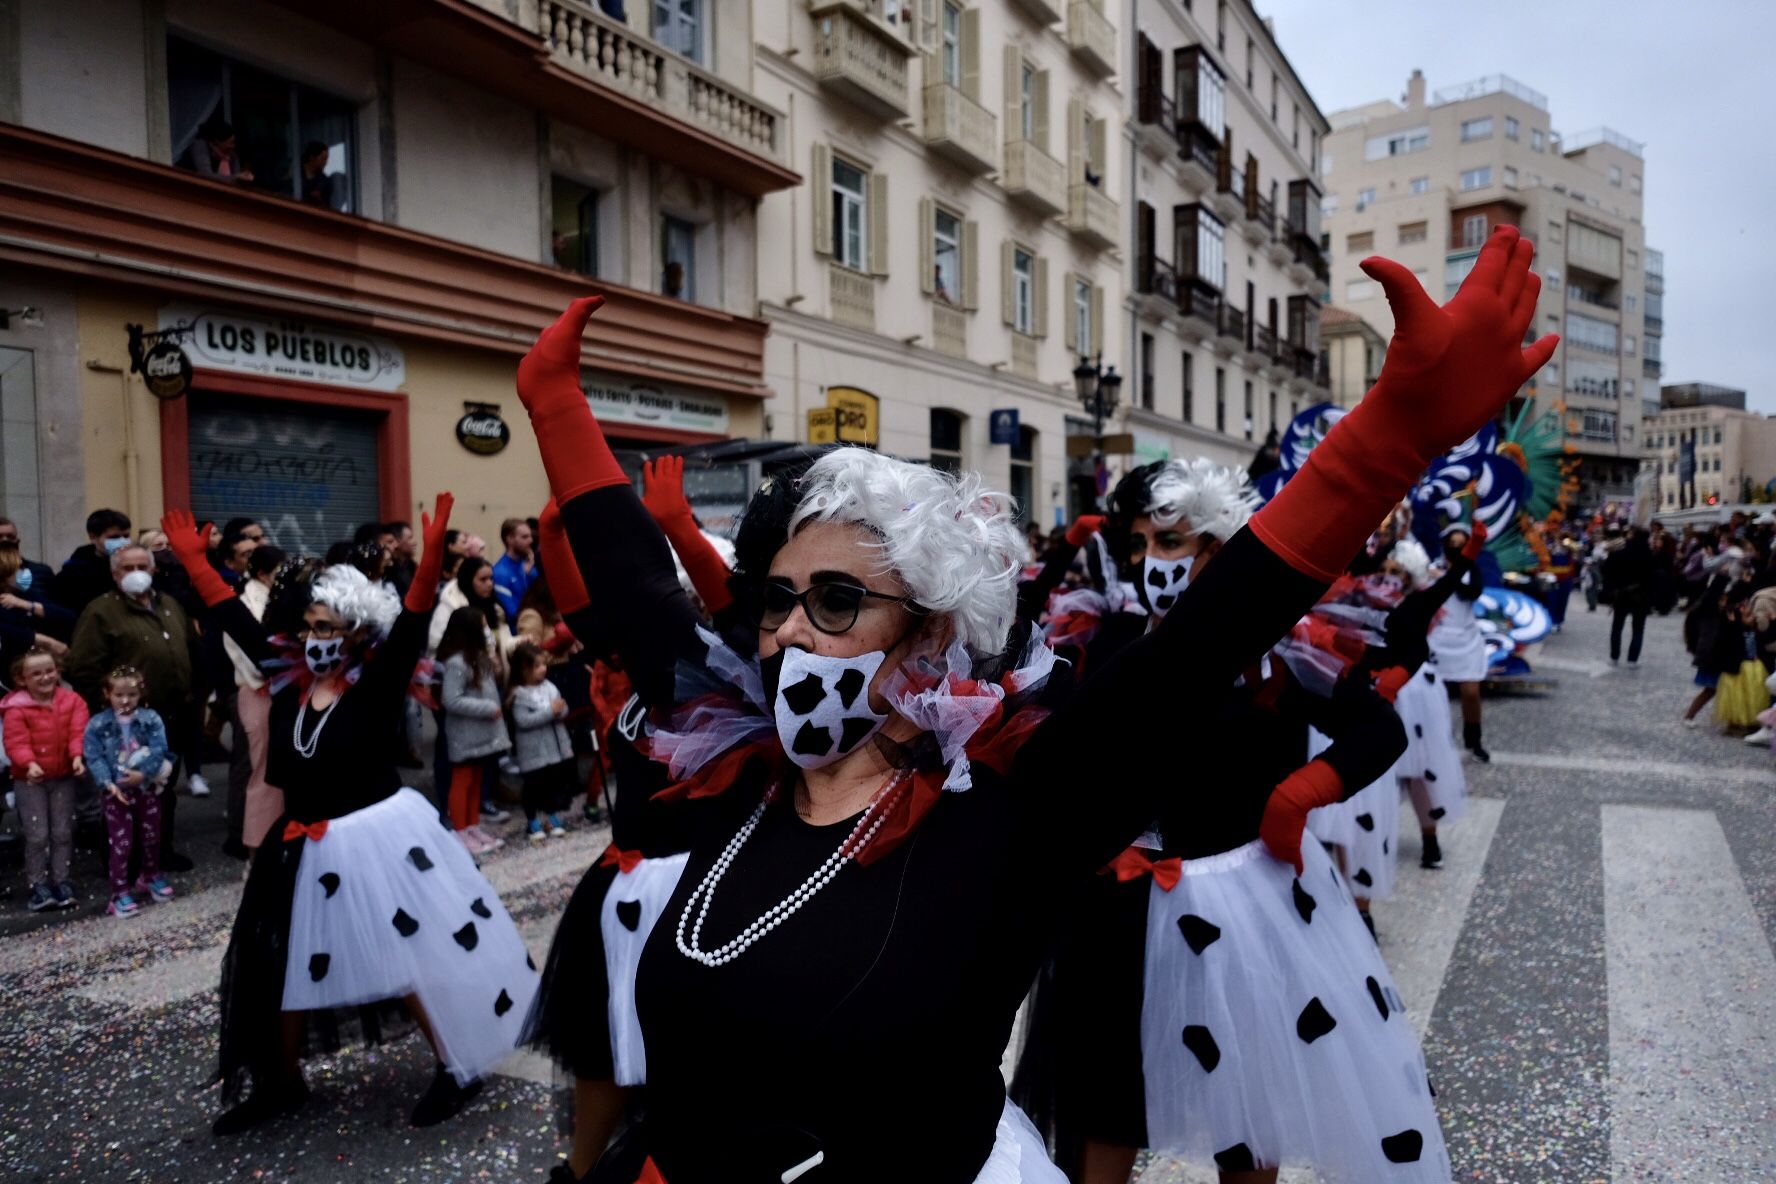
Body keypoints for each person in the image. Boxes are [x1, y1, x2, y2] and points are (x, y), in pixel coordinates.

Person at [511, 226, 1552, 1182]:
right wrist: (556, 405)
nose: (787, 632)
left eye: (836, 601)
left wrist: (1390, 434)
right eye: (778, 599)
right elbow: (645, 606)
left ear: (928, 631)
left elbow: (1199, 646)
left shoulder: (1013, 807)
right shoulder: (733, 769)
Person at [1011, 461, 1436, 1184]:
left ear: (1217, 545)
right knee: (1104, 1109)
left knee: (1249, 1111)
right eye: (1141, 543)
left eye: (1171, 541)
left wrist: (1298, 795)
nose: (1153, 562)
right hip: (1116, 909)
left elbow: (1376, 732)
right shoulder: (1103, 640)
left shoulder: (1277, 647)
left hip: (1243, 910)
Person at [159, 496, 539, 1135]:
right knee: (274, 957)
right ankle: (280, 1082)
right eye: (309, 626)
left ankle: (456, 1065)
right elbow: (234, 620)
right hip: (301, 839)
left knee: (409, 957)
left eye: (330, 627)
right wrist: (199, 567)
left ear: (359, 631)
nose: (315, 639)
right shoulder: (286, 676)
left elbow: (416, 621)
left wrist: (427, 571)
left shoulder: (379, 682)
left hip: (375, 836)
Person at [64, 543, 200, 871]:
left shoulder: (169, 604)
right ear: (114, 574)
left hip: (170, 713)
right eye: (128, 567)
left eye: (143, 565)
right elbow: (81, 667)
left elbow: (189, 650)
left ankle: (160, 850)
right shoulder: (100, 611)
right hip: (127, 719)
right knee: (124, 789)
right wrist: (113, 708)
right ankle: (124, 859)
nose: (136, 573)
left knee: (163, 784)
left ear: (153, 569)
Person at [3, 647, 89, 912]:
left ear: (58, 671)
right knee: (37, 834)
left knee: (63, 832)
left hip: (63, 776)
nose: (44, 677)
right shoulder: (17, 707)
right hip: (30, 781)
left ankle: (62, 880)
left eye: (49, 671)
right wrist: (28, 763)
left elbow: (78, 731)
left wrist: (77, 756)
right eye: (36, 673)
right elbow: (15, 741)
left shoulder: (72, 701)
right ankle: (37, 884)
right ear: (22, 679)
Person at [83, 666, 173, 918]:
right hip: (116, 793)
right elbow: (94, 756)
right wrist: (109, 784)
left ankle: (150, 875)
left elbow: (159, 749)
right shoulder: (98, 724)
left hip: (146, 787)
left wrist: (143, 774)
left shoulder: (151, 719)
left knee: (151, 834)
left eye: (131, 695)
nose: (125, 700)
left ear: (140, 694)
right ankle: (119, 891)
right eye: (119, 694)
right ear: (107, 694)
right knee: (121, 843)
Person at [223, 545, 287, 852]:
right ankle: (257, 844)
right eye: (279, 572)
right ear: (262, 574)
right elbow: (252, 657)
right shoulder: (247, 603)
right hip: (259, 690)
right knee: (262, 771)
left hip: (278, 690)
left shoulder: (274, 598)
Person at [437, 605, 511, 856]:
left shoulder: (478, 658)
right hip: (466, 735)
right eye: (482, 626)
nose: (487, 631)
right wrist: (487, 708)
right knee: (463, 781)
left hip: (483, 734)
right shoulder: (456, 663)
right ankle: (459, 830)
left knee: (477, 779)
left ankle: (472, 825)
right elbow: (451, 699)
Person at [1427, 522, 1490, 762]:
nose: (1456, 547)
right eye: (1452, 543)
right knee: (1434, 693)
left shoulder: (1471, 570)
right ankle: (1433, 741)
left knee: (1471, 692)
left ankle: (1473, 740)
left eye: (1461, 543)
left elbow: (1472, 592)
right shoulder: (1431, 568)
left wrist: (1447, 576)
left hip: (1465, 638)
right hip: (1437, 638)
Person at [508, 642, 575, 842]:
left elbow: (562, 709)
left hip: (553, 747)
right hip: (533, 752)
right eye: (537, 666)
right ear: (524, 669)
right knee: (533, 786)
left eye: (543, 664)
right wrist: (549, 712)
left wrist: (561, 710)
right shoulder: (519, 694)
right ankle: (532, 819)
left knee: (552, 783)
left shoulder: (550, 687)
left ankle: (551, 815)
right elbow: (523, 721)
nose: (543, 669)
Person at [52, 508, 133, 615]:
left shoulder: (137, 566)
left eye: (126, 536)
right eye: (114, 537)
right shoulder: (73, 575)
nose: (122, 542)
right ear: (93, 537)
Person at [1604, 526, 1654, 667]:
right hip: (1641, 595)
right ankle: (1632, 659)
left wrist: (1612, 589)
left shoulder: (1620, 550)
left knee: (1617, 626)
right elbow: (1651, 577)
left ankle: (1614, 657)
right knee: (1638, 629)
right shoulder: (1648, 553)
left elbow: (1608, 569)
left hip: (1622, 594)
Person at [492, 518, 539, 632]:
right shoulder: (500, 573)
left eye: (530, 536)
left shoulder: (529, 566)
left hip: (536, 628)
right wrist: (524, 577)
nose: (531, 540)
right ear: (509, 539)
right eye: (524, 537)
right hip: (517, 634)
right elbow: (512, 612)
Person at [181, 117, 255, 185]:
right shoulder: (200, 146)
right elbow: (205, 174)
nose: (233, 146)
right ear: (217, 142)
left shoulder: (232, 156)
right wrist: (235, 177)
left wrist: (244, 177)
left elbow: (237, 179)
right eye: (230, 143)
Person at [298, 141, 339, 210]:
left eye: (326, 159)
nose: (325, 163)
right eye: (323, 159)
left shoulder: (325, 181)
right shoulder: (295, 173)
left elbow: (327, 207)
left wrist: (318, 199)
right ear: (312, 157)